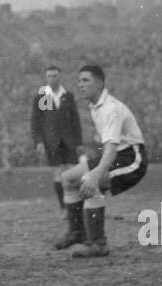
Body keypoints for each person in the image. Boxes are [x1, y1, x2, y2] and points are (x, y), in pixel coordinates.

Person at [56, 64, 148, 258]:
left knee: (90, 182)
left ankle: (98, 243)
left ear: (99, 84)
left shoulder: (111, 109)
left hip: (132, 158)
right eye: (79, 80)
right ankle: (78, 232)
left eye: (86, 80)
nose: (80, 85)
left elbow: (112, 149)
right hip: (116, 155)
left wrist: (94, 174)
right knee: (67, 178)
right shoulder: (96, 107)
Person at [30, 65, 84, 213]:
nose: (52, 79)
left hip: (68, 140)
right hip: (51, 141)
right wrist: (39, 141)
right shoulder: (42, 97)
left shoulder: (67, 95)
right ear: (45, 78)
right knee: (59, 173)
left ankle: (75, 204)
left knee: (71, 172)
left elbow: (75, 120)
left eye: (55, 76)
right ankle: (64, 206)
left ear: (60, 77)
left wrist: (79, 142)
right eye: (49, 76)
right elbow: (36, 121)